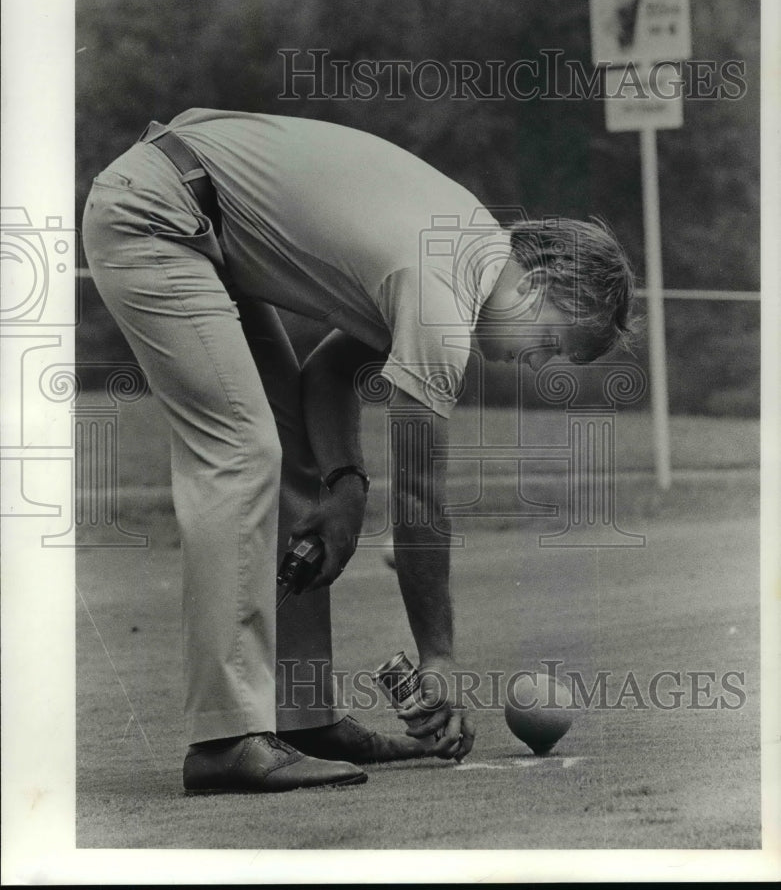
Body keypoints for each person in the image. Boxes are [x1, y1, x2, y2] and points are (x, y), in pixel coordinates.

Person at [81, 110, 634, 794]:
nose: (534, 363)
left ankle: (298, 715)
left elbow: (330, 373)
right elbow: (420, 497)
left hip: (198, 223)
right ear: (534, 283)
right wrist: (438, 657)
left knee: (294, 460)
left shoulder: (462, 253)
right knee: (243, 451)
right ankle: (224, 738)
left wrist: (343, 485)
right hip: (157, 213)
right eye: (549, 342)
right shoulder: (441, 299)